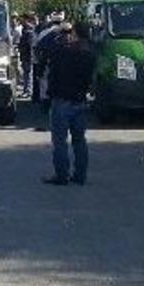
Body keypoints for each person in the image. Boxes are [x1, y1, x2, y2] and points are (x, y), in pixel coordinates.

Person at [41, 21, 96, 185]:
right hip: (80, 99)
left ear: (74, 34)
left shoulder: (64, 51)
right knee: (79, 140)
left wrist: (56, 31)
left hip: (62, 99)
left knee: (59, 141)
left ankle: (61, 175)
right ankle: (80, 175)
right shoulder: (91, 53)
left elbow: (43, 47)